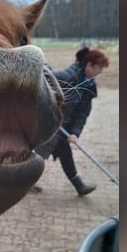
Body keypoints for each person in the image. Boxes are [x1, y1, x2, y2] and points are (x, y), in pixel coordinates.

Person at [35, 46, 109, 196]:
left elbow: (82, 113)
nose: (99, 73)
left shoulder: (89, 86)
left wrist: (75, 132)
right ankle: (78, 185)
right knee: (46, 152)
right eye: (98, 69)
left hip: (63, 126)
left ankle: (78, 185)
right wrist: (41, 63)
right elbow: (45, 77)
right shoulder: (69, 76)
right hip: (50, 122)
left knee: (43, 153)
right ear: (89, 65)